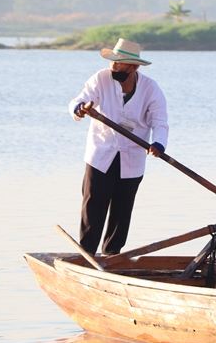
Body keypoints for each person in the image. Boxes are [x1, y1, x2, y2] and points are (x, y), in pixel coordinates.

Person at [69, 38, 168, 256]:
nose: (113, 67)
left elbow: (159, 121)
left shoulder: (150, 89)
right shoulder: (101, 79)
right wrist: (79, 109)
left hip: (132, 157)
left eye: (118, 63)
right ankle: (86, 254)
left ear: (133, 67)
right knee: (93, 205)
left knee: (122, 210)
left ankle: (112, 255)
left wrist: (158, 143)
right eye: (112, 62)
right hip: (101, 154)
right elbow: (80, 100)